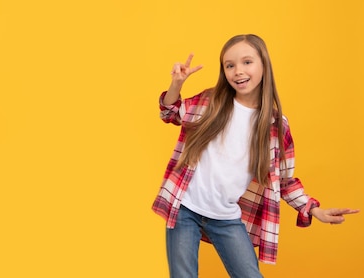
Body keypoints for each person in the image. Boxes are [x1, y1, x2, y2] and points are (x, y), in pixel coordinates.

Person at [151, 34, 358, 278]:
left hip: (226, 218)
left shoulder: (275, 125)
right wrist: (176, 85)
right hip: (184, 208)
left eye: (247, 62)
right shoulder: (210, 101)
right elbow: (170, 113)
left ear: (263, 65)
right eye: (230, 65)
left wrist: (314, 210)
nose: (238, 71)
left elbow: (284, 181)